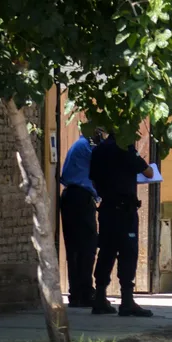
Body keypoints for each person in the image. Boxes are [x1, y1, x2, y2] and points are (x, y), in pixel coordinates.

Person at [89, 129, 154, 317]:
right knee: (128, 252)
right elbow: (149, 172)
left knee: (106, 251)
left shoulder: (99, 150)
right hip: (125, 211)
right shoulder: (125, 148)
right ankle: (127, 300)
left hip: (107, 208)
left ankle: (100, 297)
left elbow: (94, 180)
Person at [59, 125, 105, 307]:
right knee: (87, 247)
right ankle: (85, 292)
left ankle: (76, 293)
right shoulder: (88, 147)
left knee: (74, 248)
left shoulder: (79, 145)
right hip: (81, 198)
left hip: (71, 197)